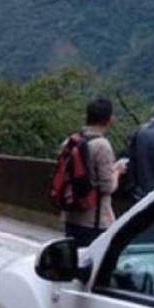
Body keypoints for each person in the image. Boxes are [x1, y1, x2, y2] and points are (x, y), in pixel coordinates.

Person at [60, 99, 121, 247]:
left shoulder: (70, 141)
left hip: (71, 215)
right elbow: (107, 187)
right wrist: (117, 172)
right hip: (94, 220)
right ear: (108, 119)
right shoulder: (102, 145)